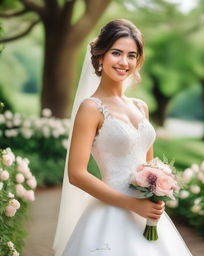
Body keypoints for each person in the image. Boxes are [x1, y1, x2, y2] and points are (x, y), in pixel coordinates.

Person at [53, 19, 192, 256]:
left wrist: (157, 190)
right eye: (116, 53)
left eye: (132, 55)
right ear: (100, 56)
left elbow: (149, 166)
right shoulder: (91, 108)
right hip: (111, 212)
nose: (124, 62)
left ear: (138, 60)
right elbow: (76, 174)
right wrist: (132, 204)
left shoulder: (141, 107)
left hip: (146, 214)